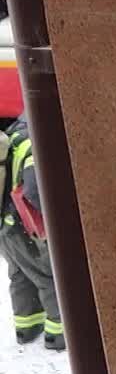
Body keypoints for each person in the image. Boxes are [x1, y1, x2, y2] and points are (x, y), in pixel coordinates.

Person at [0, 114, 63, 351]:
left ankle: (26, 328)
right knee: (48, 276)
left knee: (20, 274)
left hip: (4, 227)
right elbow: (34, 192)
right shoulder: (33, 144)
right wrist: (50, 225)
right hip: (20, 226)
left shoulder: (12, 136)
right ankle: (60, 334)